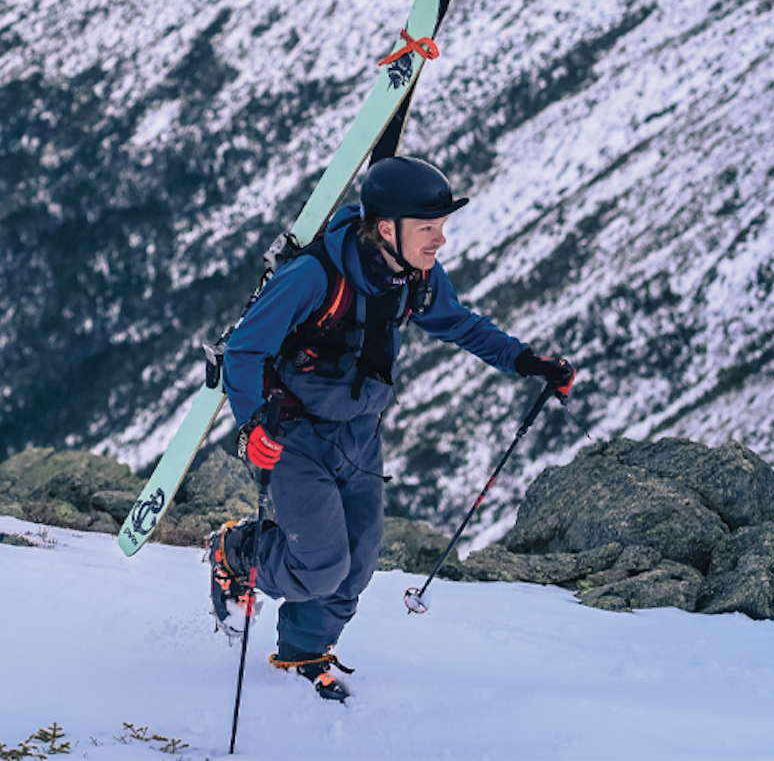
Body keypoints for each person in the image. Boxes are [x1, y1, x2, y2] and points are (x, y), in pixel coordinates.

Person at [209, 155, 574, 703]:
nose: (440, 241)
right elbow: (244, 350)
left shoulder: (414, 276)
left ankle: (303, 652)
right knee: (319, 566)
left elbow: (457, 323)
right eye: (429, 229)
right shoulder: (314, 277)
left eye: (441, 227)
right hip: (297, 439)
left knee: (356, 565)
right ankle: (237, 553)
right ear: (387, 228)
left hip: (360, 436)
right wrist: (251, 424)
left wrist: (525, 362)